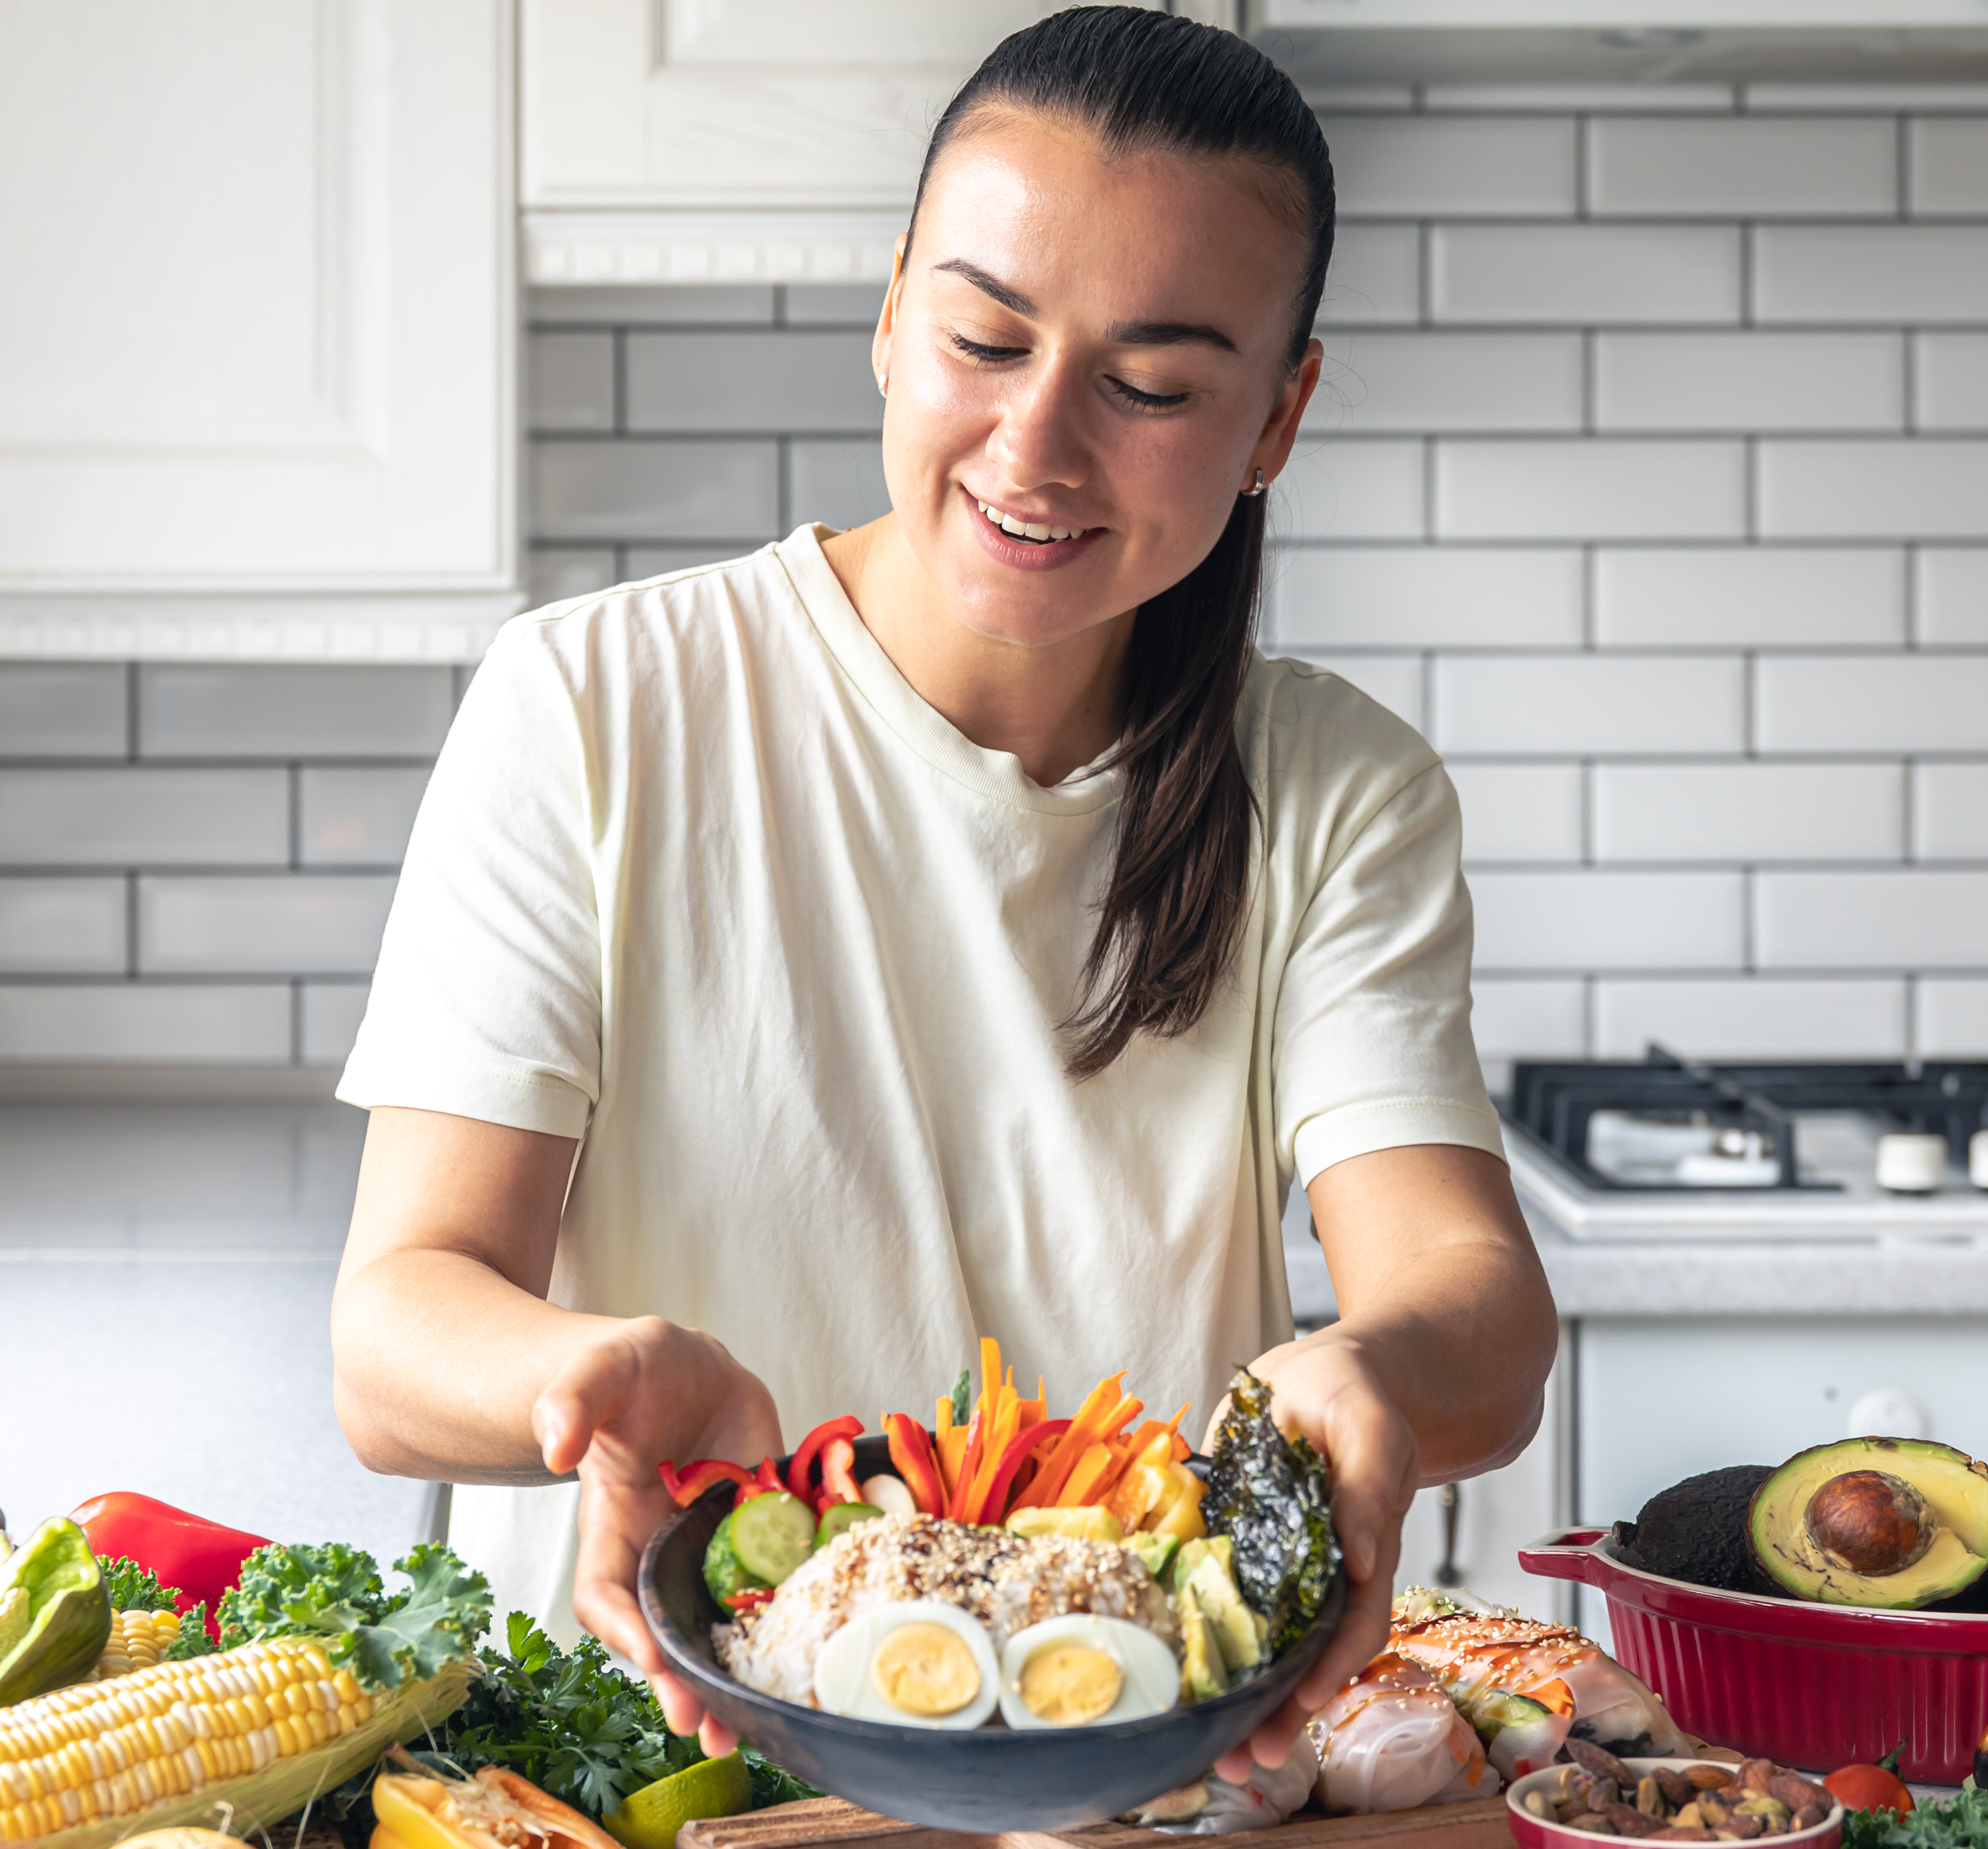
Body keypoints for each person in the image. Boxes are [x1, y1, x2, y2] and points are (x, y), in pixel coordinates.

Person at [329, 6, 1556, 1779]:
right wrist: (591, 1370)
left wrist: (1366, 1376)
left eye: (1150, 386)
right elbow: (391, 1336)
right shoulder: (594, 704)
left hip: (1120, 1764)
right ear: (892, 309)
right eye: (986, 336)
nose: (1037, 446)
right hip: (657, 1771)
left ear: (1279, 414)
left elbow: (1471, 1306)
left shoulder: (1337, 787)